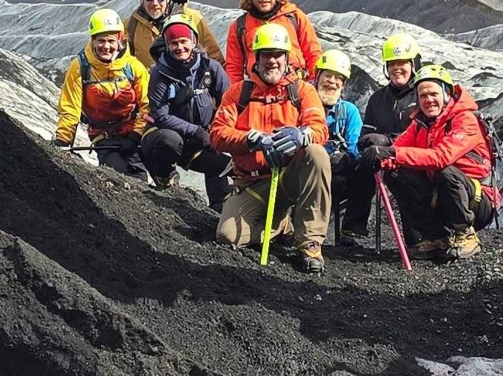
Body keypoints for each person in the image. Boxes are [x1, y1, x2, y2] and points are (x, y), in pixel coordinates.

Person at [209, 22, 332, 273]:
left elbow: (319, 128)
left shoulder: (302, 91)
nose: (272, 61)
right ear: (256, 57)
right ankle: (282, 225)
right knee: (228, 236)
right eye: (266, 55)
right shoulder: (238, 94)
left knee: (317, 154)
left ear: (287, 58)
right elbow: (218, 135)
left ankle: (310, 243)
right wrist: (250, 140)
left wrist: (302, 135)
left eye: (277, 55)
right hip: (252, 183)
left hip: (288, 179)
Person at [362, 62, 500, 261]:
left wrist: (391, 152)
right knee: (396, 173)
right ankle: (435, 237)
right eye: (423, 96)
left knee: (447, 172)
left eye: (433, 94)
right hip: (444, 194)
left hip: (477, 201)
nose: (428, 100)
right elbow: (399, 150)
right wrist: (381, 159)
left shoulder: (464, 120)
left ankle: (465, 234)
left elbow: (441, 157)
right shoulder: (420, 123)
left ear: (446, 94)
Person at [141, 14, 234, 210]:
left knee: (223, 164)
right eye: (173, 42)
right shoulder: (160, 73)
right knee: (170, 141)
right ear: (167, 44)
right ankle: (164, 176)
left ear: (193, 41)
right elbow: (161, 115)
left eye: (184, 41)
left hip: (201, 136)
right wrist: (198, 132)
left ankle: (219, 207)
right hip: (167, 136)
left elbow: (229, 101)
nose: (179, 47)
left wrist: (217, 131)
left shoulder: (210, 68)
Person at [345, 31, 422, 243]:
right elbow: (365, 135)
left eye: (402, 62)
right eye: (391, 63)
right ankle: (353, 228)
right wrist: (370, 143)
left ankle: (418, 239)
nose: (396, 68)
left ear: (413, 64)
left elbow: (422, 135)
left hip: (412, 159)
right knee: (362, 166)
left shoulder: (421, 94)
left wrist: (387, 140)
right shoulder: (378, 99)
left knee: (406, 181)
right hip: (382, 159)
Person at [54, 8, 150, 176]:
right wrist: (63, 139)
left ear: (119, 40)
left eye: (111, 41)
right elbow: (70, 107)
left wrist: (135, 135)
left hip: (133, 132)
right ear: (93, 41)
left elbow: (147, 105)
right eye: (101, 41)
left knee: (140, 176)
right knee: (117, 173)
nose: (106, 46)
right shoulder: (80, 67)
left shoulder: (134, 67)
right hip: (103, 136)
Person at [222, 0, 321, 86]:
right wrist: (235, 94)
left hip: (297, 86)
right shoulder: (239, 26)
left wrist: (314, 83)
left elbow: (313, 52)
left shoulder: (295, 16)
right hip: (258, 92)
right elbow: (234, 66)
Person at [311, 50, 364, 247]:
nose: (332, 82)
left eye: (338, 78)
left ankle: (344, 230)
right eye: (328, 76)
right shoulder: (303, 105)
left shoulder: (349, 112)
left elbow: (355, 147)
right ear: (318, 77)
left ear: (343, 84)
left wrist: (344, 159)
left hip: (338, 174)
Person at [126, 0, 224, 69]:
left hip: (192, 82)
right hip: (150, 83)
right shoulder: (131, 25)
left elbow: (215, 56)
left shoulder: (192, 18)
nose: (155, 3)